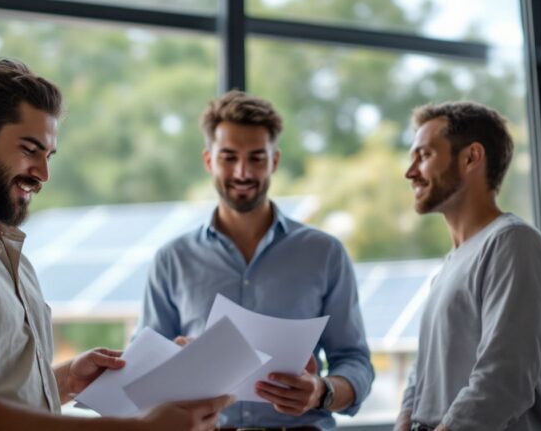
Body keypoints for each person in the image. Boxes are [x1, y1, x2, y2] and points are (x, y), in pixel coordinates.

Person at [0, 59, 233, 431]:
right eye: (30, 150)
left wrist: (66, 380)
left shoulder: (3, 251)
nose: (43, 173)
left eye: (47, 156)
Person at [137, 90, 374, 430]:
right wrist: (173, 360)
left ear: (274, 161)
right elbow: (145, 370)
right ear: (208, 160)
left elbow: (355, 362)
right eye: (229, 157)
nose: (243, 172)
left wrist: (321, 391)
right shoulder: (172, 259)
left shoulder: (324, 253)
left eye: (257, 158)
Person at [395, 101, 541, 431]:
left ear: (471, 157)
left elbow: (504, 378)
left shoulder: (513, 243)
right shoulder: (450, 264)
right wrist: (404, 421)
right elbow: (424, 372)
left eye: (425, 155)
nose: (410, 171)